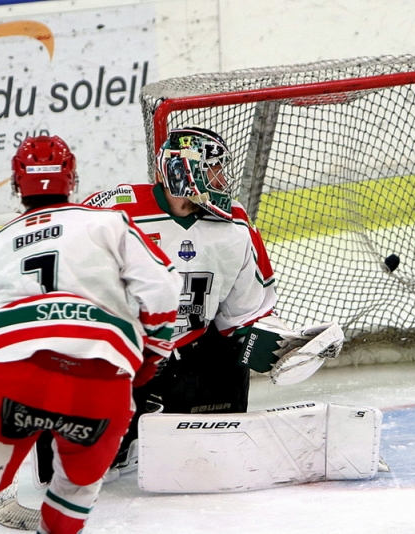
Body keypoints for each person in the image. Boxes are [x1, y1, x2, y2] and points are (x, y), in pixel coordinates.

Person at [0, 135, 182, 534]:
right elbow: (162, 290)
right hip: (101, 388)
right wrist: (149, 359)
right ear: (71, 179)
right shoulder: (107, 222)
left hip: (18, 383)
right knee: (72, 496)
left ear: (18, 184)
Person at [82, 126, 279, 475]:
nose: (221, 178)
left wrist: (269, 345)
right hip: (125, 356)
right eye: (213, 168)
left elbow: (246, 314)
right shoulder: (115, 213)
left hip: (193, 356)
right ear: (183, 171)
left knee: (210, 458)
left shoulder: (234, 225)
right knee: (96, 466)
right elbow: (60, 264)